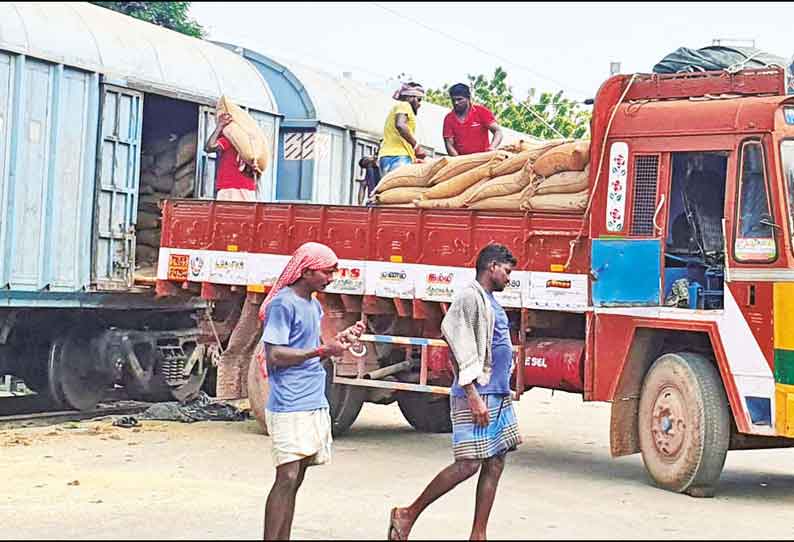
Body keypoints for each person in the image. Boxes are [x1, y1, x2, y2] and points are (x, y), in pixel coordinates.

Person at [387, 243, 522, 541]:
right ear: (492, 267)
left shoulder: (488, 300)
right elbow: (456, 348)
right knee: (468, 464)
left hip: (498, 392)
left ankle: (478, 534)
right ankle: (407, 514)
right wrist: (472, 395)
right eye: (507, 271)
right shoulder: (469, 298)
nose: (509, 278)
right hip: (477, 393)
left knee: (496, 460)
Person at [258, 242, 365, 541]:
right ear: (306, 272)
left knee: (297, 478)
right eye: (327, 271)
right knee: (287, 476)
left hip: (312, 399)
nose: (332, 277)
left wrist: (338, 342)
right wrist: (322, 349)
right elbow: (276, 356)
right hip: (288, 401)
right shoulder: (283, 303)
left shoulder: (313, 306)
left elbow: (312, 348)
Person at [204, 112, 258, 202]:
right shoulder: (253, 143)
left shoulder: (230, 139)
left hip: (229, 188)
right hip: (248, 191)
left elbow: (209, 147)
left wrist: (219, 126)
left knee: (226, 215)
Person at [378, 82, 426, 175]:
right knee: (401, 188)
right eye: (419, 100)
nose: (420, 104)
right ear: (412, 98)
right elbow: (400, 125)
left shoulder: (396, 108)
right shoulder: (404, 105)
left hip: (387, 156)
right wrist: (416, 146)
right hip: (398, 156)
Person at [442, 83, 503, 156]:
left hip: (483, 158)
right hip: (461, 161)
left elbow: (497, 131)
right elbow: (449, 144)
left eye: (459, 99)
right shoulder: (449, 119)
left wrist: (492, 147)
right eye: (453, 100)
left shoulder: (481, 111)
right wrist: (458, 161)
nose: (456, 103)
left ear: (468, 98)